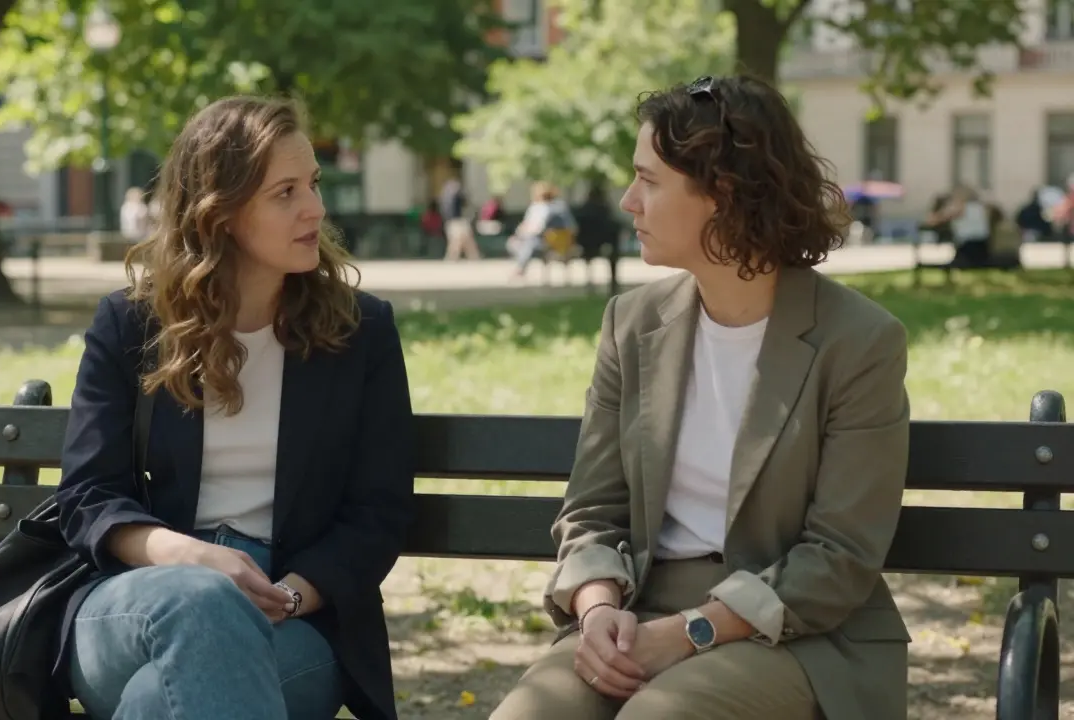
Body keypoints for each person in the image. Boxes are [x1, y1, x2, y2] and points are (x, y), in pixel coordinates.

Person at [492, 75, 911, 720]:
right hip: (638, 610)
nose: (629, 201)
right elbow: (593, 511)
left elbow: (840, 556)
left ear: (721, 193)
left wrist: (693, 630)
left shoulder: (858, 342)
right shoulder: (631, 326)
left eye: (649, 181)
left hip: (798, 635)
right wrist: (597, 605)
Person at [55, 95, 416, 720]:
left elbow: (377, 512)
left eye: (313, 185)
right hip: (140, 593)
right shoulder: (132, 324)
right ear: (219, 212)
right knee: (199, 604)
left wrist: (289, 595)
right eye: (285, 193)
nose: (315, 209)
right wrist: (190, 558)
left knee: (154, 701)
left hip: (296, 611)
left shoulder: (360, 332)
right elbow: (88, 496)